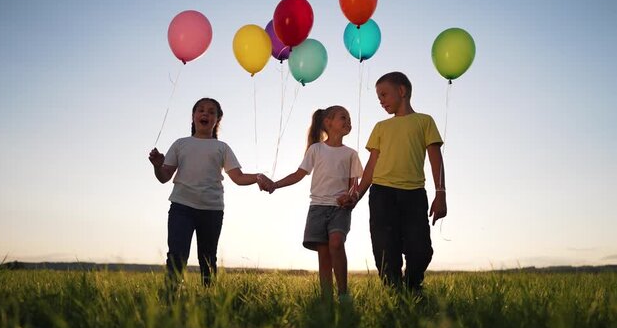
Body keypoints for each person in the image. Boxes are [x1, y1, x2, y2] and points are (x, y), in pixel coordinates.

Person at [338, 71, 447, 294]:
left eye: (384, 94)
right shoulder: (381, 127)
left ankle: (412, 286)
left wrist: (441, 193)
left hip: (414, 194)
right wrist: (356, 196)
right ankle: (394, 294)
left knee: (421, 250)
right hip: (382, 194)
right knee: (385, 249)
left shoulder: (424, 121)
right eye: (379, 97)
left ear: (402, 91)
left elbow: (436, 158)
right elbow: (370, 167)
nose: (381, 101)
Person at [148, 97, 270, 288]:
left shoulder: (222, 148)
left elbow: (238, 177)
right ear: (193, 116)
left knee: (207, 258)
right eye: (201, 110)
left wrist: (258, 177)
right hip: (181, 208)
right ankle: (170, 299)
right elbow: (164, 176)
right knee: (177, 255)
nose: (205, 113)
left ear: (217, 120)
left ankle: (209, 299)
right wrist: (157, 166)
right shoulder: (180, 144)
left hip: (211, 210)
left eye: (211, 112)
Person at [263, 105, 363, 301]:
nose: (348, 122)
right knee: (324, 255)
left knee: (336, 242)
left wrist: (350, 197)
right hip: (317, 208)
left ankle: (343, 294)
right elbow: (299, 174)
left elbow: (355, 184)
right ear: (328, 122)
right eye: (343, 117)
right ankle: (327, 298)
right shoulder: (316, 149)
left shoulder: (351, 153)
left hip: (340, 208)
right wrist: (275, 184)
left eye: (349, 118)